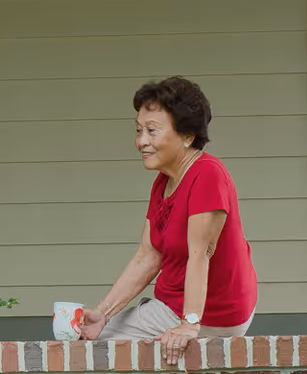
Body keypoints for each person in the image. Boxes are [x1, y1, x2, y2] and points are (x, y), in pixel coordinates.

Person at [78, 76, 258, 351]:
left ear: (188, 135)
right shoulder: (164, 182)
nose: (141, 141)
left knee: (94, 347)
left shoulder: (207, 174)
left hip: (211, 312)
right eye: (138, 130)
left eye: (152, 130)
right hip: (174, 304)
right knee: (97, 331)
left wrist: (190, 324)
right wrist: (103, 312)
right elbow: (148, 256)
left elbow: (201, 254)